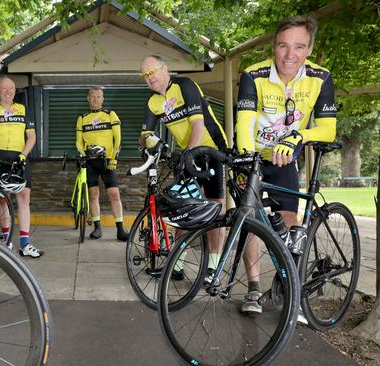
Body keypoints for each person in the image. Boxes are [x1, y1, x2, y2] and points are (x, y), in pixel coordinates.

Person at [236, 16, 336, 316]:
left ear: (309, 49)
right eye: (283, 45)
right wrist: (243, 162)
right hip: (254, 154)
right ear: (274, 46)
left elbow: (328, 129)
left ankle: (291, 287)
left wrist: (298, 137)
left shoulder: (321, 77)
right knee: (249, 221)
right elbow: (244, 124)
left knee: (289, 220)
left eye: (299, 46)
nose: (290, 54)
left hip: (286, 159)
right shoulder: (254, 75)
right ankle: (253, 288)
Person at [139, 55, 227, 281]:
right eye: (145, 76)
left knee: (215, 207)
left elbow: (197, 124)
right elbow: (144, 135)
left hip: (212, 148)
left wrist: (189, 154)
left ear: (165, 68)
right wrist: (152, 141)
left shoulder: (185, 85)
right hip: (189, 153)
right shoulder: (152, 102)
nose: (150, 78)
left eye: (153, 72)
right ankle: (176, 266)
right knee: (183, 208)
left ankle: (213, 268)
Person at [0, 76, 44, 258]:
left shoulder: (23, 109)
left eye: (11, 89)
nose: (8, 92)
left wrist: (23, 155)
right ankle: (6, 242)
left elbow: (32, 136)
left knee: (24, 198)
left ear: (15, 91)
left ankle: (25, 244)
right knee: (3, 199)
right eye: (4, 89)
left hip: (19, 156)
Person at [75, 86, 129, 241]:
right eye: (93, 97)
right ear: (88, 98)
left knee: (114, 194)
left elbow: (118, 139)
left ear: (103, 99)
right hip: (90, 162)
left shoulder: (110, 115)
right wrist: (83, 154)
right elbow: (78, 142)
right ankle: (97, 227)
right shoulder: (82, 118)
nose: (95, 100)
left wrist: (114, 159)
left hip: (107, 161)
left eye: (99, 97)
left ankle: (120, 229)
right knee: (93, 194)